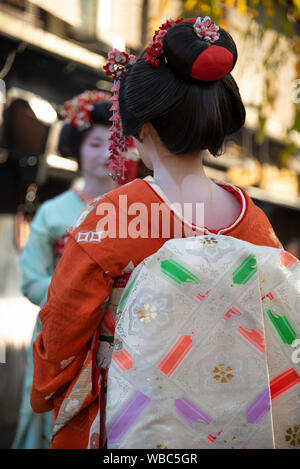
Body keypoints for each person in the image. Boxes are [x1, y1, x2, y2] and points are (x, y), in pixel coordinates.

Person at [30, 18, 283, 449]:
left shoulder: (116, 215)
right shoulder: (252, 218)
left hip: (136, 412)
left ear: (142, 129)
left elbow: (63, 329)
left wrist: (46, 384)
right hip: (234, 415)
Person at [12, 91, 137, 449]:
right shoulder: (53, 212)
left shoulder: (138, 207)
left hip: (124, 332)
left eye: (113, 143)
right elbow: (32, 277)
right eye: (95, 143)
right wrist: (71, 303)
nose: (103, 153)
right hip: (61, 329)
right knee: (53, 413)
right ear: (78, 148)